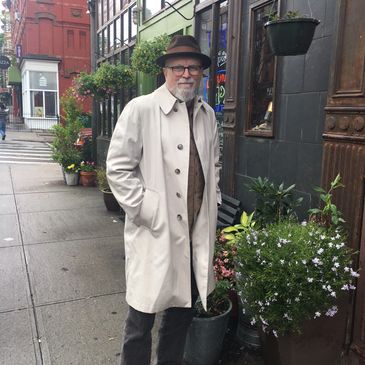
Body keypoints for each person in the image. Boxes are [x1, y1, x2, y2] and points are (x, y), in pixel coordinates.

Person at [106, 35, 221, 365]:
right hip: (155, 232)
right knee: (140, 320)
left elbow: (213, 163)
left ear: (201, 73)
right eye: (179, 67)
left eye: (194, 67)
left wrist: (210, 204)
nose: (186, 73)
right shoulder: (141, 109)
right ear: (165, 71)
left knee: (180, 318)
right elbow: (117, 167)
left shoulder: (207, 114)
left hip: (193, 232)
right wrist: (146, 208)